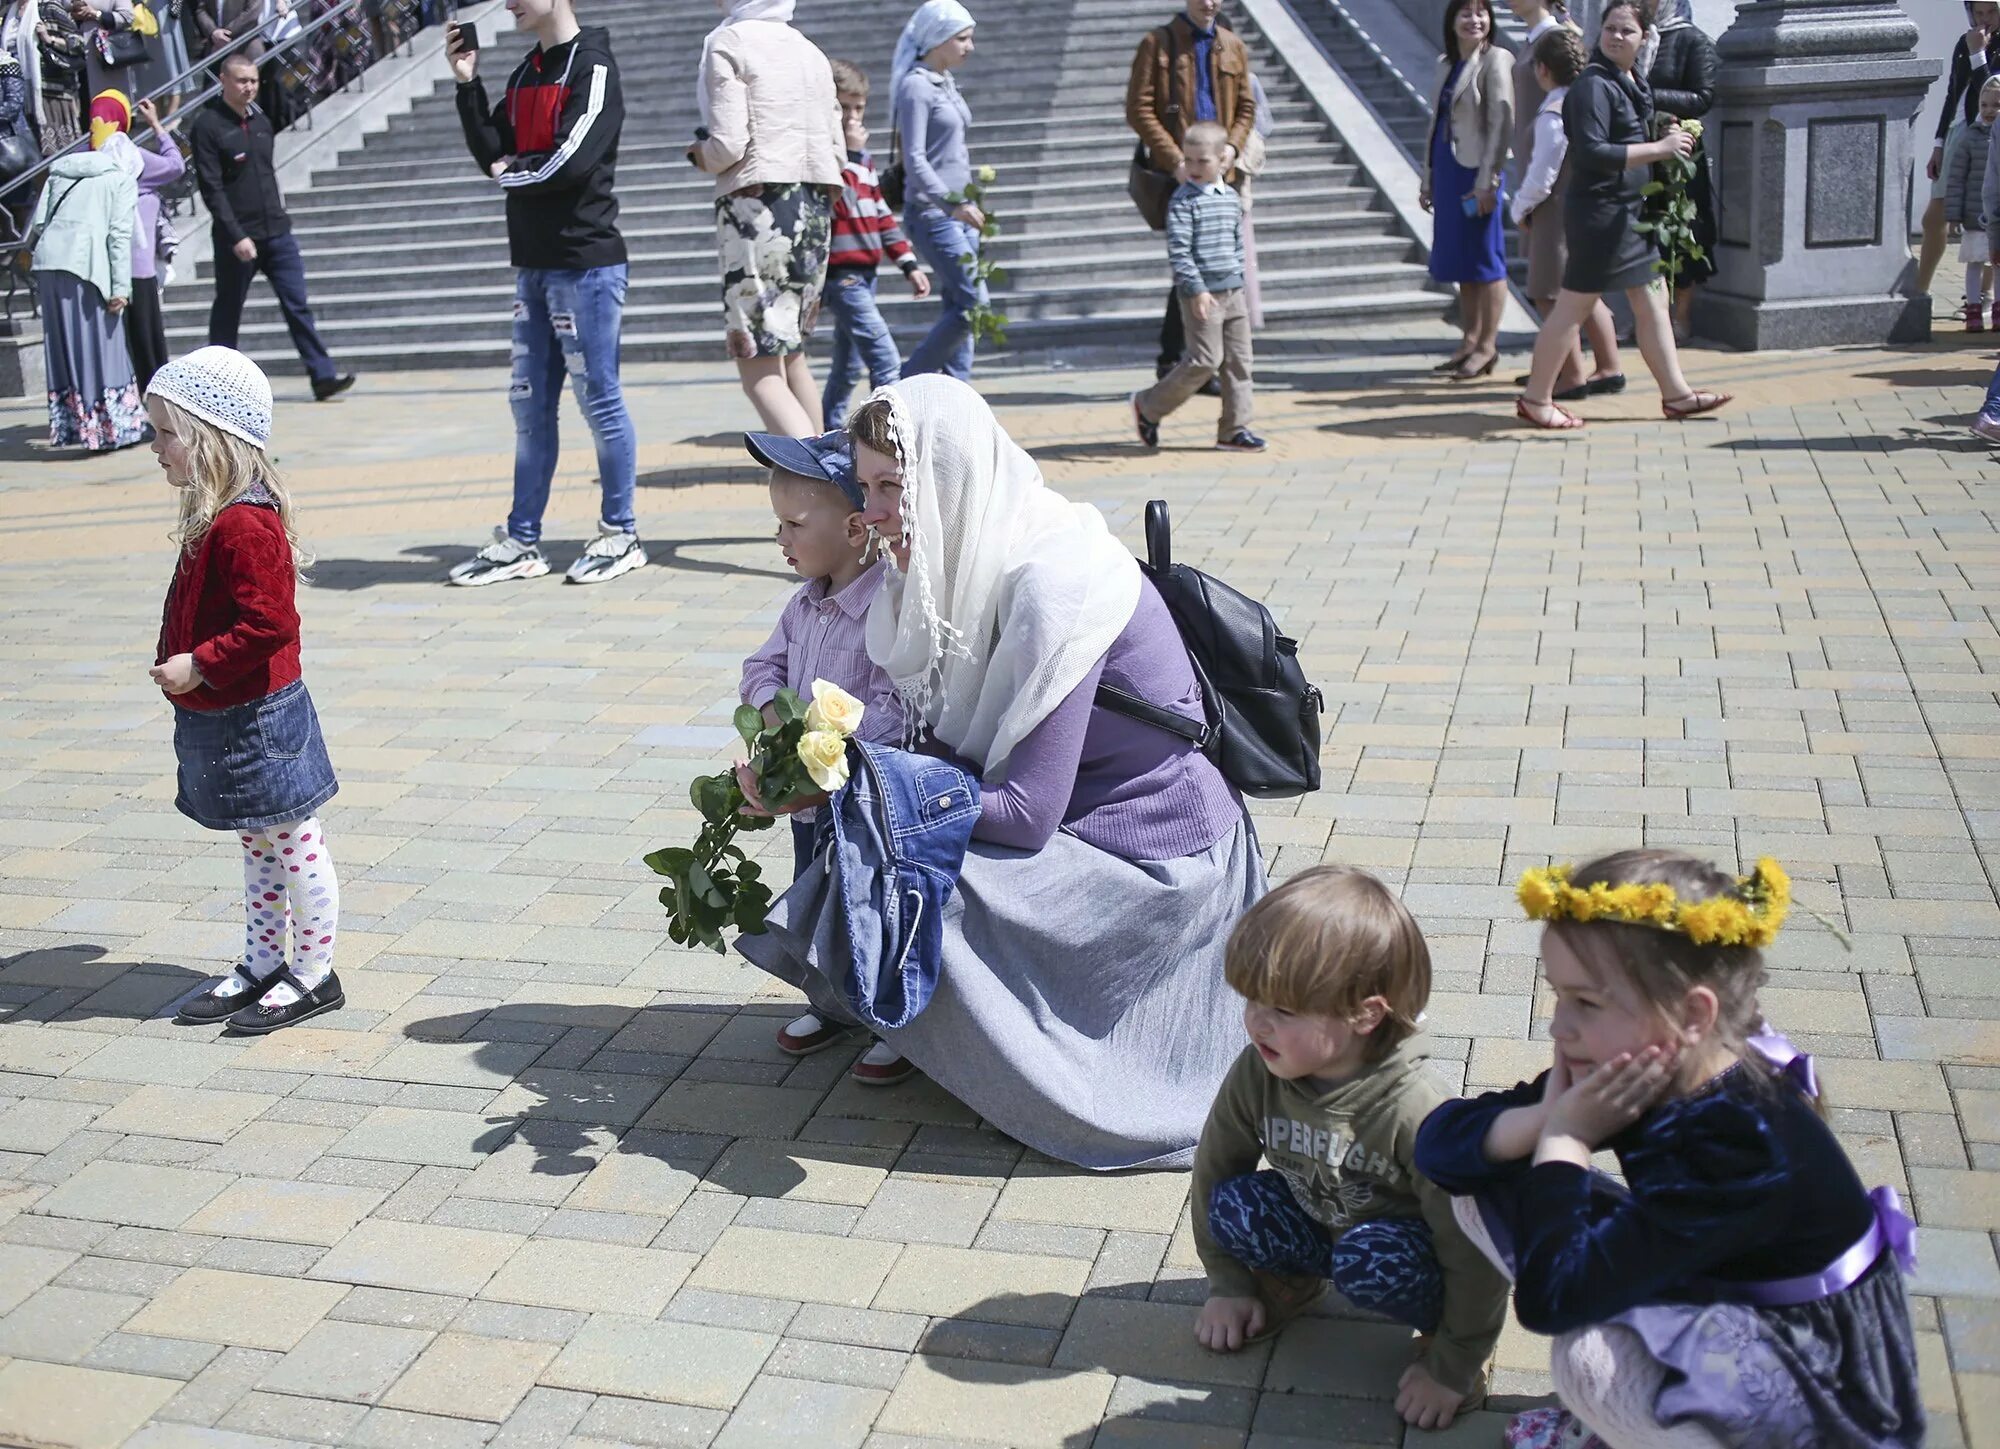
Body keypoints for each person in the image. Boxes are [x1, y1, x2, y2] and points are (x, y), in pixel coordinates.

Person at [739, 374, 1265, 1164]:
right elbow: (938, 750)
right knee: (888, 840)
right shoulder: (957, 555)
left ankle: (1044, 1078)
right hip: (1082, 822)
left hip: (1157, 856)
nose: (872, 509)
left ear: (949, 480)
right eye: (866, 485)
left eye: (893, 486)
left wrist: (853, 781)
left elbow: (1025, 812)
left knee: (917, 878)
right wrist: (815, 771)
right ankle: (927, 1031)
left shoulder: (1055, 583)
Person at [1415, 849, 1926, 1448]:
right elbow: (1438, 1147)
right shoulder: (1651, 1062)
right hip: (1715, 1275)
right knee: (1488, 1180)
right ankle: (1648, 1420)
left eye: (1587, 1002)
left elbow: (1552, 1302)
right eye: (1558, 994)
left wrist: (1566, 1140)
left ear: (1690, 1013)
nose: (1558, 1027)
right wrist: (1540, 1119)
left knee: (1589, 1364)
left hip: (1809, 1367)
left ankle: (1658, 1431)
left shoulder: (1738, 1148)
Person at [1190, 867, 1508, 1431]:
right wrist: (1228, 1283)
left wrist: (1454, 1365)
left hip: (1405, 1254)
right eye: (1251, 1000)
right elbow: (1215, 1167)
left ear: (1365, 1013)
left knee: (1369, 1258)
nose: (1255, 1022)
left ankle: (1439, 1335)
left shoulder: (1416, 1111)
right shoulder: (1258, 1071)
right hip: (1325, 1220)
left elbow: (1475, 1248)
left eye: (1283, 1011)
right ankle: (1289, 1283)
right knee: (1234, 1204)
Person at [147, 347, 346, 1035]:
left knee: (294, 841)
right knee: (257, 845)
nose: (156, 448)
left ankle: (315, 972)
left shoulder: (243, 523)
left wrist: (200, 663)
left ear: (209, 437)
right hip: (230, 713)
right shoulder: (213, 514)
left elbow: (270, 622)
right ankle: (265, 960)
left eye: (166, 432)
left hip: (261, 715)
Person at [446, 0, 645, 588]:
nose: (507, 2)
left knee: (599, 400)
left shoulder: (594, 66)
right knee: (529, 408)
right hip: (533, 268)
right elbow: (494, 150)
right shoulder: (527, 70)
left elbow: (573, 161)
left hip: (584, 269)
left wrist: (510, 172)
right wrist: (468, 86)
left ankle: (621, 532)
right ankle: (522, 541)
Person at [1513, 0, 1728, 429]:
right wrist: (1660, 148)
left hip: (1629, 214)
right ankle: (1536, 399)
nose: (1615, 36)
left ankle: (1677, 395)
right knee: (1572, 308)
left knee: (1652, 304)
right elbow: (1593, 152)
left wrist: (1664, 127)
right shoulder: (1593, 84)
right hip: (1601, 217)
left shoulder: (1632, 80)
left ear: (1644, 38)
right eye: (1609, 29)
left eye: (1626, 31)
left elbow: (1632, 127)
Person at [737, 428, 905, 886]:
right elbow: (762, 666)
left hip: (864, 813)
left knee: (855, 918)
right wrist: (774, 716)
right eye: (779, 524)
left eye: (794, 524)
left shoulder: (888, 609)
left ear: (854, 528)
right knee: (809, 900)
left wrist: (820, 763)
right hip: (805, 810)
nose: (780, 538)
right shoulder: (804, 604)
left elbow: (895, 712)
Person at [690, 0, 844, 438]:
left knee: (758, 368)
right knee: (792, 353)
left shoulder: (730, 41)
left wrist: (698, 155)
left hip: (757, 207)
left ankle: (815, 479)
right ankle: (829, 473)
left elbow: (728, 144)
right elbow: (838, 147)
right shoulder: (809, 50)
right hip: (814, 205)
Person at [190, 50, 354, 399]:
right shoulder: (208, 126)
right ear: (224, 81)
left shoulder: (262, 124)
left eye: (254, 81)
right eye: (242, 81)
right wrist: (236, 235)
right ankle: (214, 383)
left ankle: (322, 375)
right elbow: (212, 188)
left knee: (297, 303)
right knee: (228, 310)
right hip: (238, 238)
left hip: (277, 232)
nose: (249, 88)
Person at [1126, 0, 1257, 379]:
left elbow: (1246, 105)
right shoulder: (1158, 43)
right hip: (1179, 177)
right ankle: (1183, 358)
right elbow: (1138, 107)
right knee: (1189, 263)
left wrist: (1231, 147)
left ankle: (1189, 358)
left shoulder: (1232, 44)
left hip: (1221, 175)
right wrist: (1176, 161)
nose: (1210, 3)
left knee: (1210, 263)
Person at [1129, 121, 1263, 453]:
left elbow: (1236, 243)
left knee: (1239, 362)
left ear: (1223, 160)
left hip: (1233, 291)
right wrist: (1197, 289)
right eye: (1188, 160)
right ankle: (1148, 406)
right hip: (1200, 295)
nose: (1193, 168)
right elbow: (1180, 252)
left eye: (1202, 161)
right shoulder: (1183, 201)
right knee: (1204, 360)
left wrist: (1239, 282)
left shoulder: (1230, 198)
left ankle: (1234, 429)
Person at [1511, 28, 1624, 400]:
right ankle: (1609, 366)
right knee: (1586, 292)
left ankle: (1571, 374)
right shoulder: (1587, 102)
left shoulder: (1552, 112)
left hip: (1553, 214)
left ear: (1543, 70)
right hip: (1585, 207)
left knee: (1550, 294)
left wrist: (1519, 207)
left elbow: (1542, 175)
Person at [821, 59, 929, 430]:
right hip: (843, 278)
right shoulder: (830, 157)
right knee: (884, 358)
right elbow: (844, 204)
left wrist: (908, 264)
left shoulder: (863, 161)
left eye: (859, 107)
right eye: (843, 107)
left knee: (846, 366)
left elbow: (881, 215)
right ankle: (886, 434)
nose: (852, 116)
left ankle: (830, 432)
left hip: (866, 275)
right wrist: (849, 155)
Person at [30, 125, 143, 449]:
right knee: (99, 346)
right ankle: (110, 429)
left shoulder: (62, 173)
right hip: (86, 267)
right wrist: (120, 288)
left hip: (49, 262)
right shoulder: (120, 181)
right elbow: (119, 236)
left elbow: (40, 222)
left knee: (63, 346)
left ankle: (73, 427)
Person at [893, 0, 984, 382]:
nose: (970, 46)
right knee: (973, 304)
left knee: (959, 304)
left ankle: (957, 393)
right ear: (938, 39)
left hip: (961, 213)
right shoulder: (916, 86)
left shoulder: (943, 81)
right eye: (962, 38)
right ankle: (902, 384)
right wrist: (952, 203)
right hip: (936, 213)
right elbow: (914, 159)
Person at [1421, 0, 1511, 380]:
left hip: (1477, 171)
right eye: (1465, 13)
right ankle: (1469, 339)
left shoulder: (1497, 59)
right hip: (1448, 169)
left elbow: (1501, 121)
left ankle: (1488, 345)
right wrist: (1428, 176)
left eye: (1481, 12)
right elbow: (1437, 122)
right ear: (1451, 19)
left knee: (1486, 261)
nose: (1474, 20)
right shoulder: (1446, 63)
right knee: (1462, 262)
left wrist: (1488, 180)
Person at [91, 89, 183, 390]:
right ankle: (154, 396)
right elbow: (176, 165)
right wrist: (157, 125)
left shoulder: (93, 159)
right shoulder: (133, 158)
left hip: (107, 266)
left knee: (125, 337)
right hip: (137, 265)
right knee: (146, 337)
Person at [1644, 0, 1717, 340]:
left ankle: (1681, 317)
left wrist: (1648, 96)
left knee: (1685, 228)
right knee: (1648, 231)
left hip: (1681, 150)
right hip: (1644, 147)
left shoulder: (1691, 39)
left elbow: (1703, 97)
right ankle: (1651, 317)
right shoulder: (1637, 34)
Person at [1920, 3, 1998, 301]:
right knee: (1934, 216)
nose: (1984, 19)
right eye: (1979, 13)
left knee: (1990, 217)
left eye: (1991, 12)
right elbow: (1953, 93)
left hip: (1989, 139)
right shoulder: (1964, 42)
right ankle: (1919, 292)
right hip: (1958, 134)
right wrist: (1939, 143)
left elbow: (1990, 92)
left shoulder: (1981, 45)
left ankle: (1984, 296)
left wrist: (1979, 53)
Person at [1946, 76, 1999, 332]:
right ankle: (1973, 310)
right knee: (1974, 264)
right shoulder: (1969, 137)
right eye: (1985, 104)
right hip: (1974, 217)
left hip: (1996, 219)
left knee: (1998, 265)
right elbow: (1956, 179)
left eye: (1996, 105)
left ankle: (1998, 310)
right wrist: (1953, 216)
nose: (1990, 111)